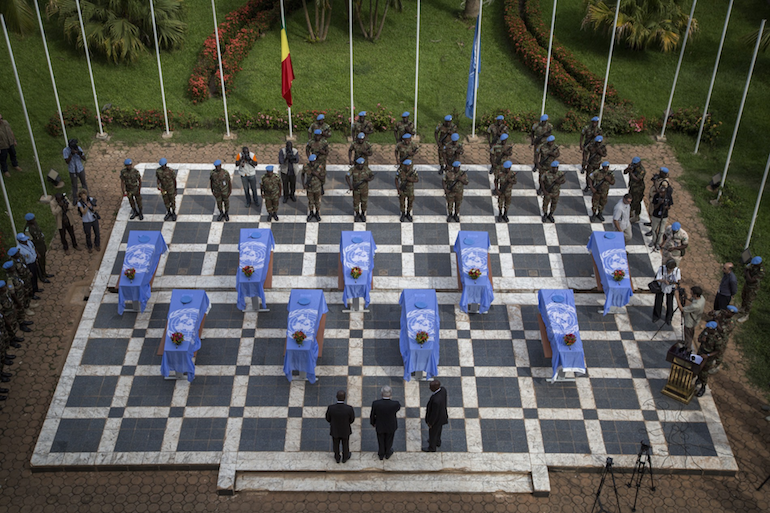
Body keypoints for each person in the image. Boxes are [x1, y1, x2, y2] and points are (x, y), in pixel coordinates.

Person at [370, 385, 401, 460]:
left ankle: (381, 454)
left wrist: (373, 423)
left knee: (380, 440)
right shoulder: (395, 404)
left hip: (380, 425)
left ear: (381, 393)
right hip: (391, 425)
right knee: (389, 440)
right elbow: (397, 409)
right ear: (390, 394)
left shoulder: (376, 403)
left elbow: (372, 414)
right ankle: (387, 453)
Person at [325, 389, 355, 464]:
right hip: (345, 430)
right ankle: (345, 457)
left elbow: (328, 418)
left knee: (336, 444)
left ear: (336, 397)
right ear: (344, 398)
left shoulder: (331, 408)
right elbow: (352, 419)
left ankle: (337, 458)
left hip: (335, 429)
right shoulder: (349, 408)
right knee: (345, 444)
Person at [695, 321, 723, 397]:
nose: (707, 329)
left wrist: (708, 355)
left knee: (704, 372)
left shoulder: (717, 339)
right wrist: (702, 339)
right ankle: (698, 379)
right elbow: (699, 339)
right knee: (697, 367)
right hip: (701, 352)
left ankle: (703, 387)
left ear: (713, 329)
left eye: (709, 329)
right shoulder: (705, 332)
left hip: (708, 357)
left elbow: (717, 351)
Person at [24, 213, 53, 282]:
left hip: (41, 245)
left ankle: (44, 273)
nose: (34, 220)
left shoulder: (35, 224)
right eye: (32, 219)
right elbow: (31, 243)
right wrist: (36, 252)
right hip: (36, 248)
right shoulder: (27, 230)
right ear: (29, 221)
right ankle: (41, 277)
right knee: (39, 264)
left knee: (43, 261)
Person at [652, 259, 681, 325]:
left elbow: (678, 280)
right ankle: (656, 316)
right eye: (668, 269)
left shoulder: (677, 271)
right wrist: (664, 281)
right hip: (661, 287)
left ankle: (668, 318)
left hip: (671, 288)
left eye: (671, 270)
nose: (669, 271)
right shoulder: (661, 269)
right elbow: (658, 278)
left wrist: (673, 282)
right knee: (658, 302)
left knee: (670, 303)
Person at [646, 182, 673, 250]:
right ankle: (653, 241)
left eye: (662, 193)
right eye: (660, 192)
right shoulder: (656, 196)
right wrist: (659, 203)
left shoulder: (668, 197)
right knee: (654, 229)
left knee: (661, 231)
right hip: (656, 216)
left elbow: (669, 206)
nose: (660, 194)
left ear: (665, 192)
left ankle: (658, 243)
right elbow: (654, 207)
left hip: (664, 216)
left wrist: (666, 207)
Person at [423, 380, 448, 452]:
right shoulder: (443, 390)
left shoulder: (435, 400)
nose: (429, 388)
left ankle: (432, 447)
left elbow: (434, 414)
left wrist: (430, 423)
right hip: (442, 416)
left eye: (431, 387)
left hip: (436, 420)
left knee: (433, 433)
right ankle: (437, 441)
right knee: (439, 430)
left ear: (435, 388)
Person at [346, 157, 374, 222]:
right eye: (359, 164)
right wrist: (350, 186)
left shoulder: (366, 169)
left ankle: (363, 214)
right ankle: (357, 214)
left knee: (364, 202)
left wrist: (369, 179)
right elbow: (347, 176)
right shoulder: (353, 169)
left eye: (362, 164)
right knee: (356, 203)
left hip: (364, 189)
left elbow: (372, 175)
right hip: (356, 190)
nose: (361, 166)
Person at [678, 286, 705, 350]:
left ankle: (688, 348)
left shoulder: (695, 306)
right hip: (695, 320)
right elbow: (693, 299)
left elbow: (682, 309)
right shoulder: (702, 298)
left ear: (695, 295)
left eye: (692, 293)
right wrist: (686, 297)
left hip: (690, 322)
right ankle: (687, 343)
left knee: (688, 334)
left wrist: (677, 298)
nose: (691, 294)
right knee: (690, 333)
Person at [739, 256, 765, 322]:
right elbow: (746, 269)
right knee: (743, 296)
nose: (753, 265)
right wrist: (746, 271)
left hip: (753, 288)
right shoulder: (752, 265)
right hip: (747, 284)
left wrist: (747, 272)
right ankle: (742, 308)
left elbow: (751, 280)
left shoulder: (761, 271)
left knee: (749, 301)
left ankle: (746, 315)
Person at [77, 189, 101, 253]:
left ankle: (97, 244)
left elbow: (95, 207)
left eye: (84, 195)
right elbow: (83, 212)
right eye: (82, 195)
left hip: (93, 219)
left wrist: (93, 208)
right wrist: (87, 207)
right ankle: (89, 246)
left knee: (97, 233)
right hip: (86, 221)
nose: (84, 197)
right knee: (88, 234)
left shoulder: (90, 199)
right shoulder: (80, 203)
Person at [302, 154, 325, 222]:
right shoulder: (306, 166)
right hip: (309, 188)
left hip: (317, 187)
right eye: (311, 161)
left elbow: (323, 177)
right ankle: (311, 212)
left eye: (313, 161)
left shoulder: (320, 167)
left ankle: (317, 213)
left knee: (317, 201)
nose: (312, 163)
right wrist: (303, 184)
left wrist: (317, 175)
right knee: (311, 201)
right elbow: (302, 174)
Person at [624, 157, 646, 223]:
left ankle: (636, 216)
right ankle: (630, 212)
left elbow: (637, 179)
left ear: (639, 163)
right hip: (632, 187)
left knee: (637, 202)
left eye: (635, 164)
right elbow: (625, 172)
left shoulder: (642, 170)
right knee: (630, 199)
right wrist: (628, 169)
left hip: (638, 188)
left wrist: (631, 173)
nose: (634, 165)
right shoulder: (632, 166)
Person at [0, 113, 22, 178]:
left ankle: (15, 165)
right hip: (2, 145)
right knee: (3, 158)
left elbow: (10, 131)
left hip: (10, 142)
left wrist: (14, 140)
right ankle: (5, 170)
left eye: (1, 118)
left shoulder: (5, 123)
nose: (1, 120)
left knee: (13, 153)